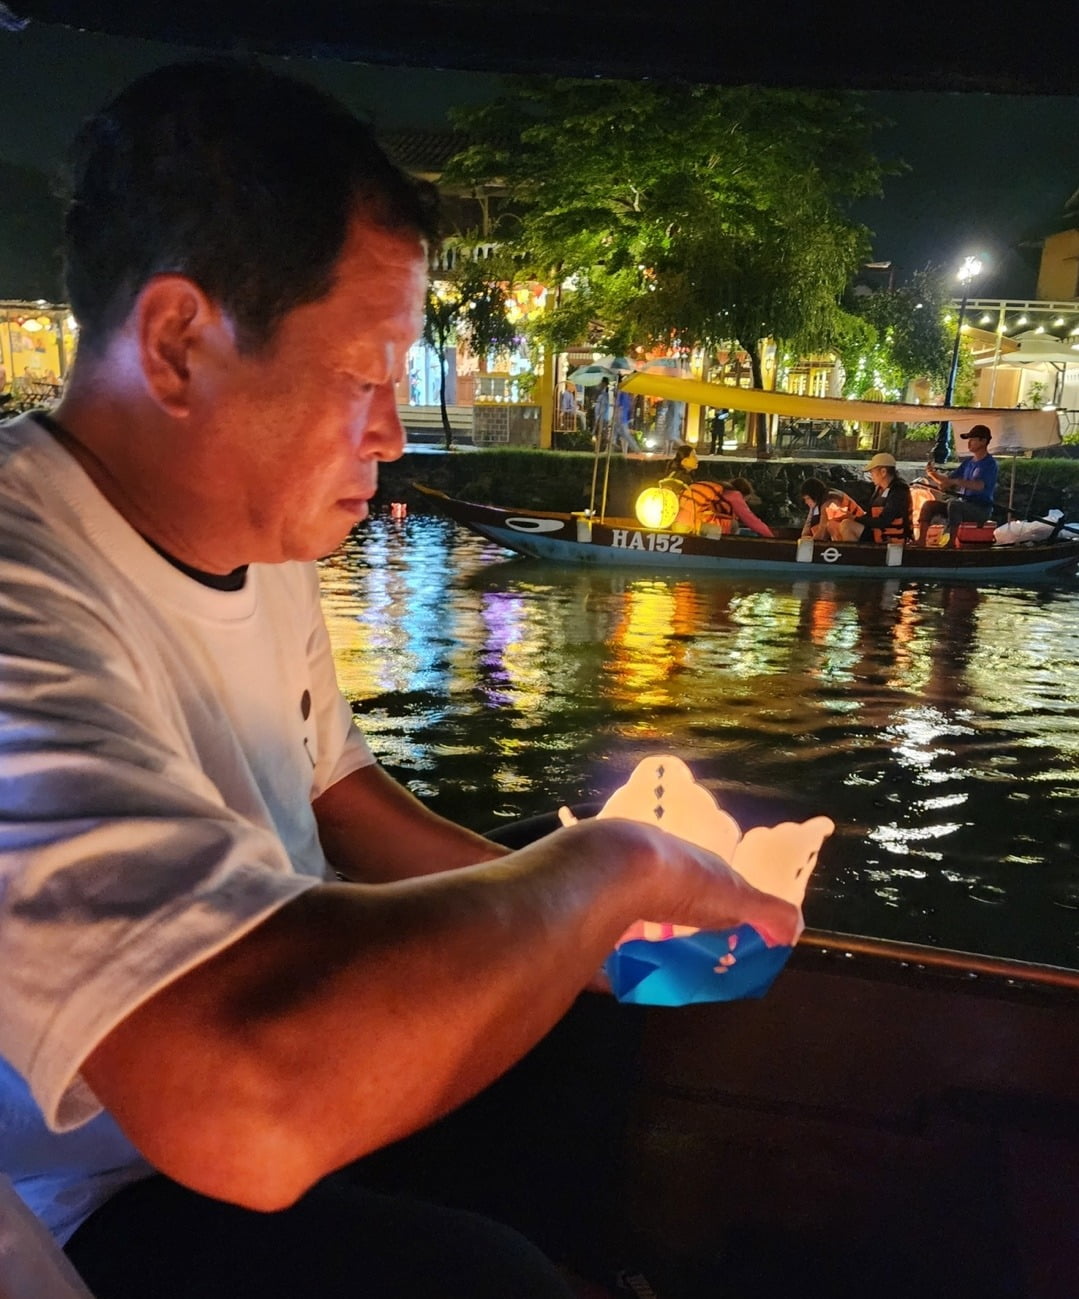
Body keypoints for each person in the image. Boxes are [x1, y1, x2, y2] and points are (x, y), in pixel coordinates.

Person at [0, 61, 801, 1299]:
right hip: (92, 1182)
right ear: (176, 344)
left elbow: (343, 801)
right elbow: (243, 1110)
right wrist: (610, 868)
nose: (392, 432)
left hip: (276, 1087)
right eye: (366, 377)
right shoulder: (21, 591)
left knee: (578, 1000)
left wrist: (599, 927)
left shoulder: (253, 535)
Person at [915, 423, 999, 546]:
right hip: (963, 505)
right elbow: (948, 481)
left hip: (980, 508)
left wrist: (957, 482)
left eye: (972, 440)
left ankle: (952, 542)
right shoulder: (968, 462)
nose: (969, 443)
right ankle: (921, 541)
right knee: (929, 505)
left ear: (983, 441)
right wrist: (933, 474)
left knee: (954, 505)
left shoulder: (990, 464)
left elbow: (980, 486)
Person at [660, 447, 773, 537]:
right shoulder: (734, 495)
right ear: (742, 493)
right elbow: (751, 520)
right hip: (689, 526)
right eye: (694, 456)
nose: (697, 459)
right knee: (733, 525)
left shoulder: (714, 489)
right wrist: (770, 537)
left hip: (675, 522)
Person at [841, 452, 912, 544]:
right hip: (877, 531)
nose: (871, 476)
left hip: (890, 537)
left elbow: (884, 521)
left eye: (872, 472)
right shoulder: (879, 489)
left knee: (847, 525)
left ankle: (854, 556)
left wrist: (854, 518)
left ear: (883, 472)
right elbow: (871, 514)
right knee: (836, 524)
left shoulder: (899, 491)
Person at [799, 478, 866, 542]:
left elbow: (823, 532)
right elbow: (808, 523)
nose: (806, 502)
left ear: (814, 495)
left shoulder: (831, 501)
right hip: (850, 530)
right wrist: (805, 537)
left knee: (831, 525)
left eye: (807, 498)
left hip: (860, 531)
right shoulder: (816, 503)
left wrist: (811, 543)